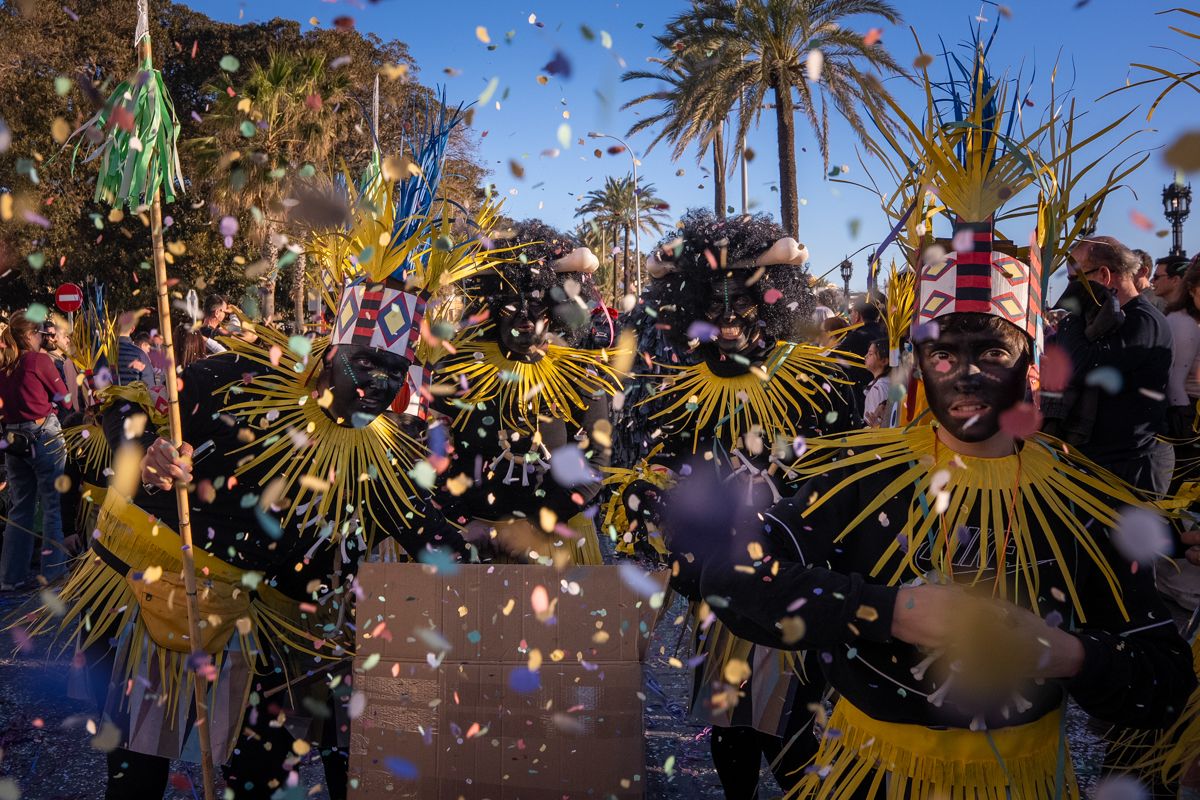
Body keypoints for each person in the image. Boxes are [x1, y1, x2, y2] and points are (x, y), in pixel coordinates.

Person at [22, 107, 490, 800]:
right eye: (364, 364)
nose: (376, 385)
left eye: (392, 375)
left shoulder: (387, 456)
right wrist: (146, 453)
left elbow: (423, 528)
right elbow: (125, 405)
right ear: (330, 353)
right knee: (136, 775)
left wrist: (487, 547)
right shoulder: (238, 381)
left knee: (254, 779)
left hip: (263, 631)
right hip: (163, 591)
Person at [667, 231, 1196, 800]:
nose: (966, 376)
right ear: (919, 364)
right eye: (944, 353)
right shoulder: (862, 479)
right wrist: (892, 611)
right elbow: (731, 578)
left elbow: (1164, 683)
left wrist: (1068, 654)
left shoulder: (1076, 499)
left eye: (993, 352)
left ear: (1032, 362)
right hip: (870, 779)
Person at [608, 210, 852, 799]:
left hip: (798, 579)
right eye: (711, 306)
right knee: (730, 726)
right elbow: (673, 470)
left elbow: (843, 479)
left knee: (798, 732)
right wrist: (649, 496)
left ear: (770, 301)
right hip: (719, 583)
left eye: (741, 301)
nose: (726, 318)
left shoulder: (817, 380)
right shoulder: (681, 389)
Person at [431, 220, 620, 567]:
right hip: (475, 542)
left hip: (555, 543)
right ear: (488, 310)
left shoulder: (580, 376)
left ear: (556, 313)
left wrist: (537, 527)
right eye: (509, 307)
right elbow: (431, 453)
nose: (524, 318)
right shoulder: (457, 371)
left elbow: (595, 464)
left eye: (537, 308)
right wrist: (461, 522)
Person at [1043, 235, 1174, 494]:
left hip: (1129, 468)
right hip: (1101, 461)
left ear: (1104, 275)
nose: (1070, 290)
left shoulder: (1143, 321)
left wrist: (1071, 315)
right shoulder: (1105, 320)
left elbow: (1082, 366)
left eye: (1075, 281)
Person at [0, 311, 70, 590]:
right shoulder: (37, 361)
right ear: (30, 336)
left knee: (20, 508)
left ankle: (10, 577)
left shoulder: (5, 366)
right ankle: (53, 575)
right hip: (42, 435)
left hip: (13, 440)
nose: (44, 338)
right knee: (52, 505)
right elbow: (65, 400)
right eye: (41, 333)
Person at [114, 312, 153, 387]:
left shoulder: (101, 354)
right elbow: (150, 387)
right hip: (134, 397)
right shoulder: (140, 354)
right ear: (132, 328)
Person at [862, 338, 890, 427]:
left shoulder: (879, 388)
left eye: (870, 354)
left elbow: (876, 420)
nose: (865, 356)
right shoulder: (881, 383)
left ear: (884, 361)